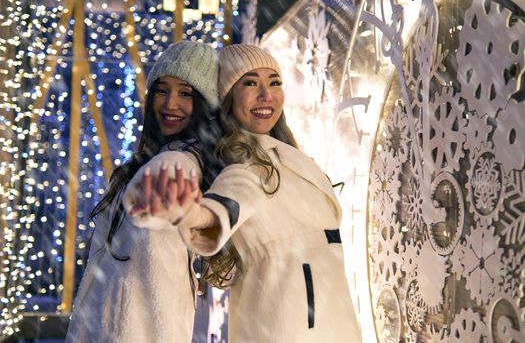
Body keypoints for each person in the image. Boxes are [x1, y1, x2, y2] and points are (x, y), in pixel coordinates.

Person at [125, 44, 362, 342]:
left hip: (331, 317)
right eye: (250, 83)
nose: (266, 95)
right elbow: (224, 205)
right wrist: (187, 212)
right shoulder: (244, 163)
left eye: (274, 83)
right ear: (227, 98)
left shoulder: (286, 155)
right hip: (287, 324)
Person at [65, 41, 223, 343]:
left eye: (186, 93)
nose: (170, 104)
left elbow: (165, 187)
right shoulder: (147, 161)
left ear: (206, 105)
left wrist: (158, 197)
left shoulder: (180, 163)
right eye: (162, 90)